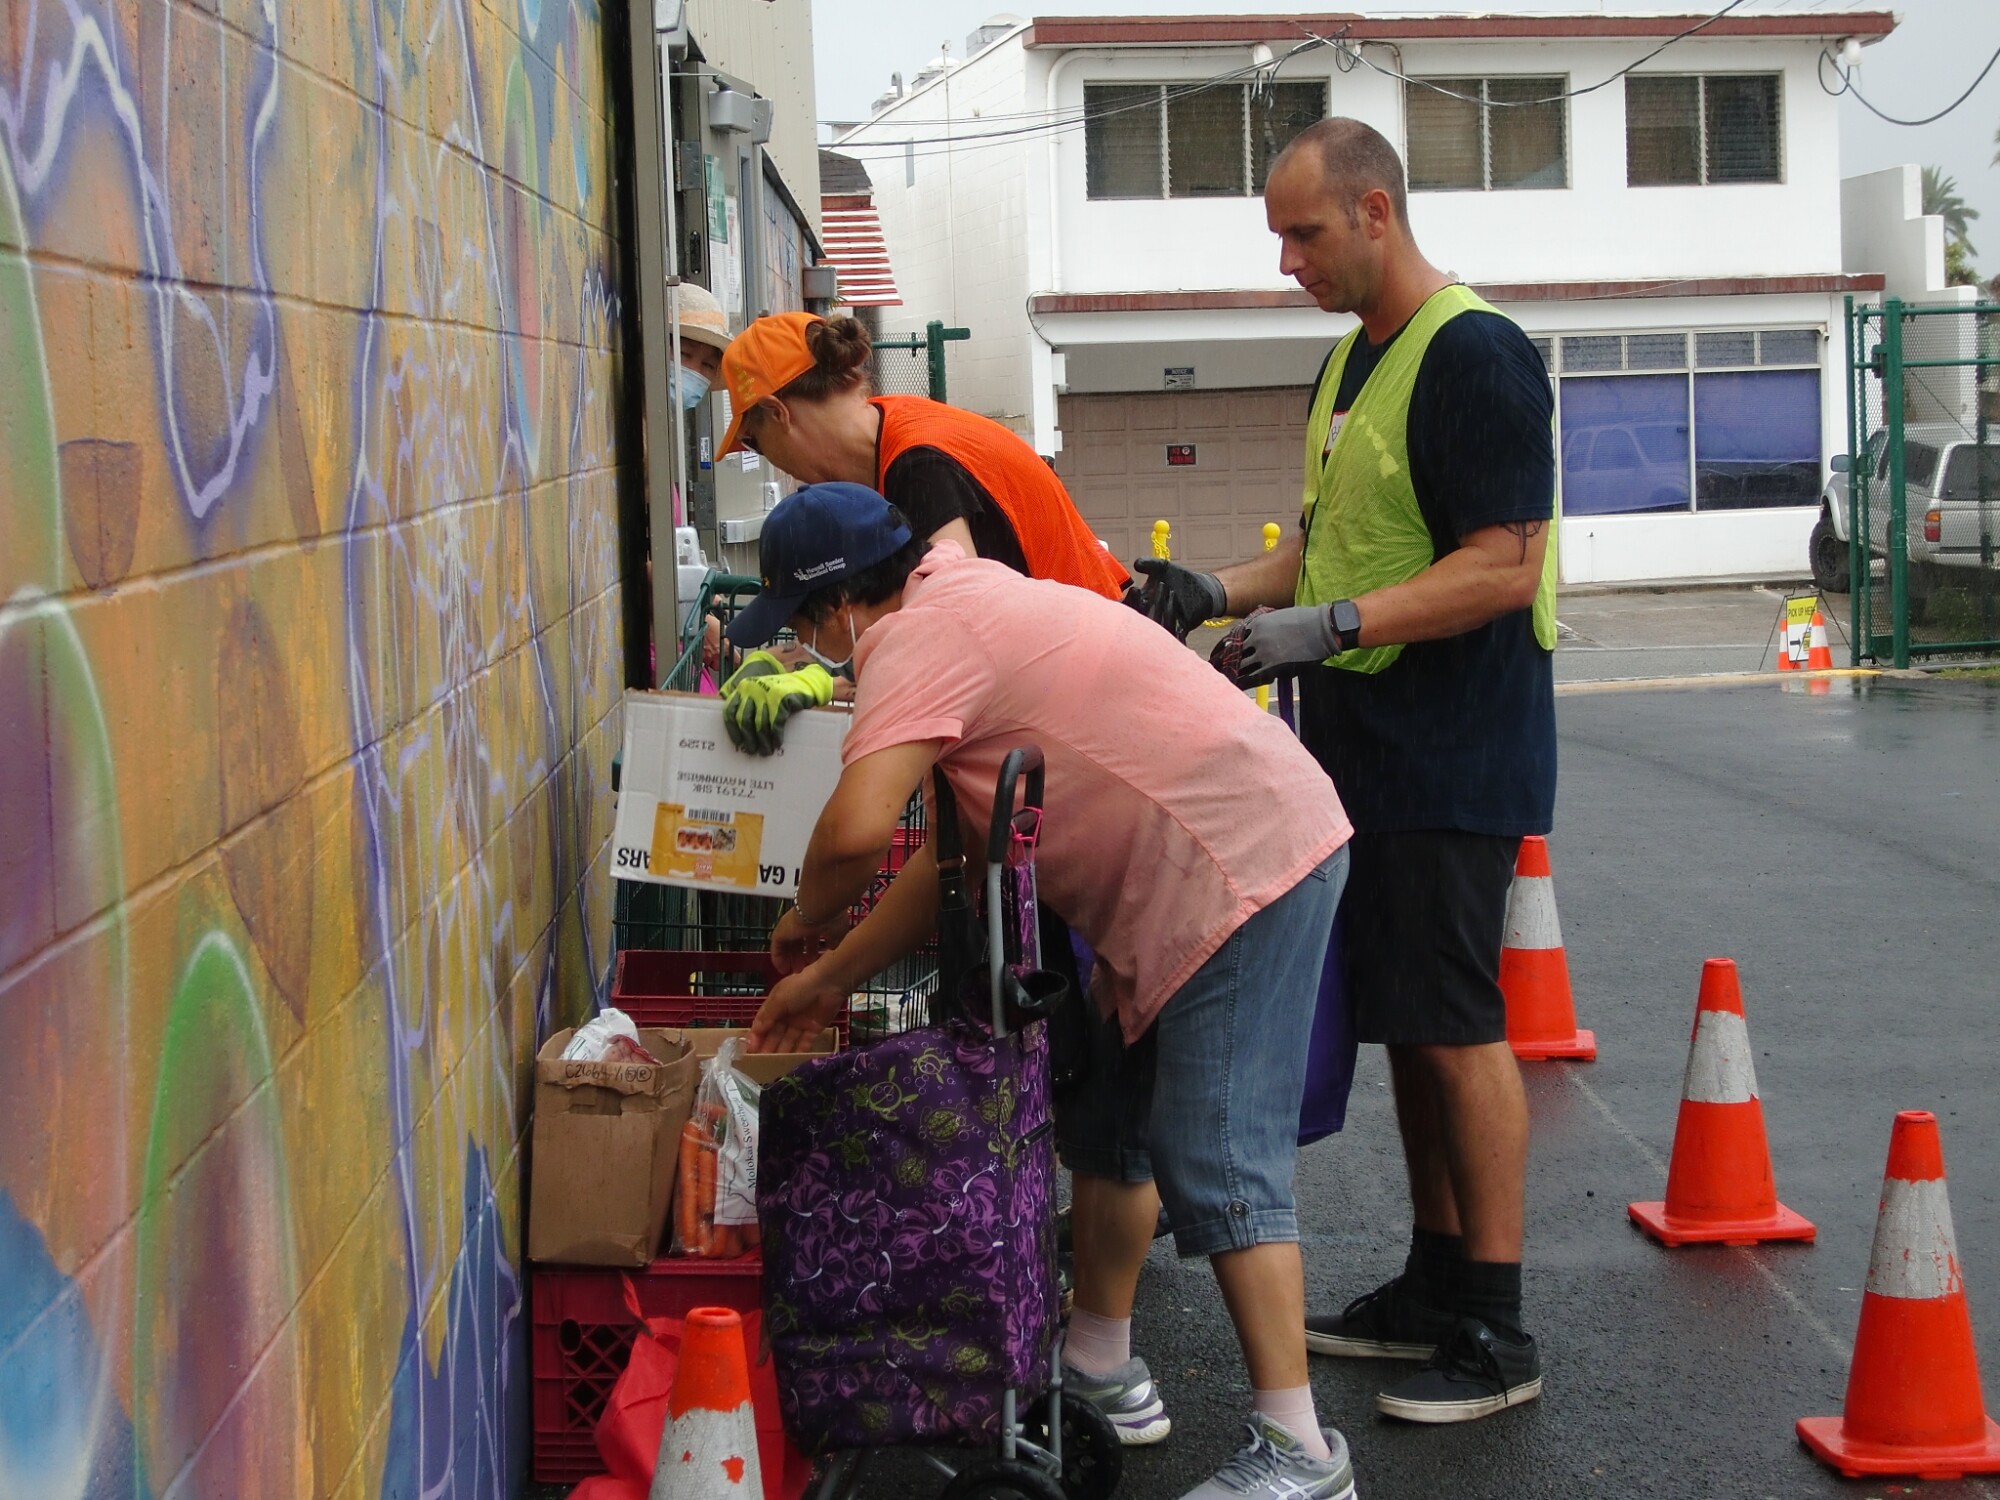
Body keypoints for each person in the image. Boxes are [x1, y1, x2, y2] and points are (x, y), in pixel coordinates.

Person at [733, 482, 1359, 1500]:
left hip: (1236, 864)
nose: (810, 648)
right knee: (1112, 1125)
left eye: (804, 626)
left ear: (839, 604)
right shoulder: (961, 598)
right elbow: (947, 858)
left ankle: (1301, 1451)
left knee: (1217, 1152)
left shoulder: (918, 636)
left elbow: (854, 832)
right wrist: (827, 977)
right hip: (1203, 864)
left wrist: (804, 918)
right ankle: (1100, 1367)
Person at [1129, 118, 1557, 1424]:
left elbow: (1505, 564)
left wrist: (1332, 627)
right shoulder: (1352, 364)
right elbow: (1323, 555)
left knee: (1457, 1025)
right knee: (1408, 1026)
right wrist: (1215, 590)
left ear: (1376, 212)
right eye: (1279, 237)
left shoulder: (1474, 354)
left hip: (1452, 749)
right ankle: (1436, 1281)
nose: (1288, 261)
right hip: (1364, 750)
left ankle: (1496, 1325)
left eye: (1303, 233)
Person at [709, 311, 1132, 757]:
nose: (770, 461)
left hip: (1094, 686)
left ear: (777, 413)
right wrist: (795, 658)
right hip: (1075, 663)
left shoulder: (919, 465)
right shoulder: (894, 426)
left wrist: (825, 680)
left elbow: (953, 634)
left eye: (754, 443)